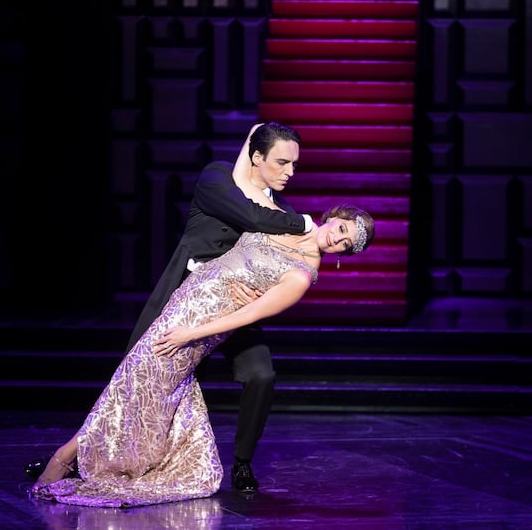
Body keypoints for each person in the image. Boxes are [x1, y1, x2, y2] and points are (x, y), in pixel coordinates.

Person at [29, 203, 375, 508]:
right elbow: (240, 189)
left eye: (346, 244)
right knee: (132, 384)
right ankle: (104, 457)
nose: (337, 241)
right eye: (341, 230)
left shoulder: (302, 275)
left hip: (199, 327)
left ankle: (63, 459)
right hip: (184, 302)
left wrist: (191, 334)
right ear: (334, 216)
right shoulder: (286, 221)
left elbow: (248, 316)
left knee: (131, 385)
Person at [131, 121, 311, 493]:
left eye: (294, 165)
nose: (289, 172)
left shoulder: (281, 208)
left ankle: (242, 462)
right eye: (281, 163)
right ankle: (84, 460)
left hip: (233, 310)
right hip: (184, 302)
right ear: (256, 156)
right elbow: (251, 218)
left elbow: (288, 265)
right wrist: (306, 223)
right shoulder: (217, 178)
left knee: (261, 375)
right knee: (136, 377)